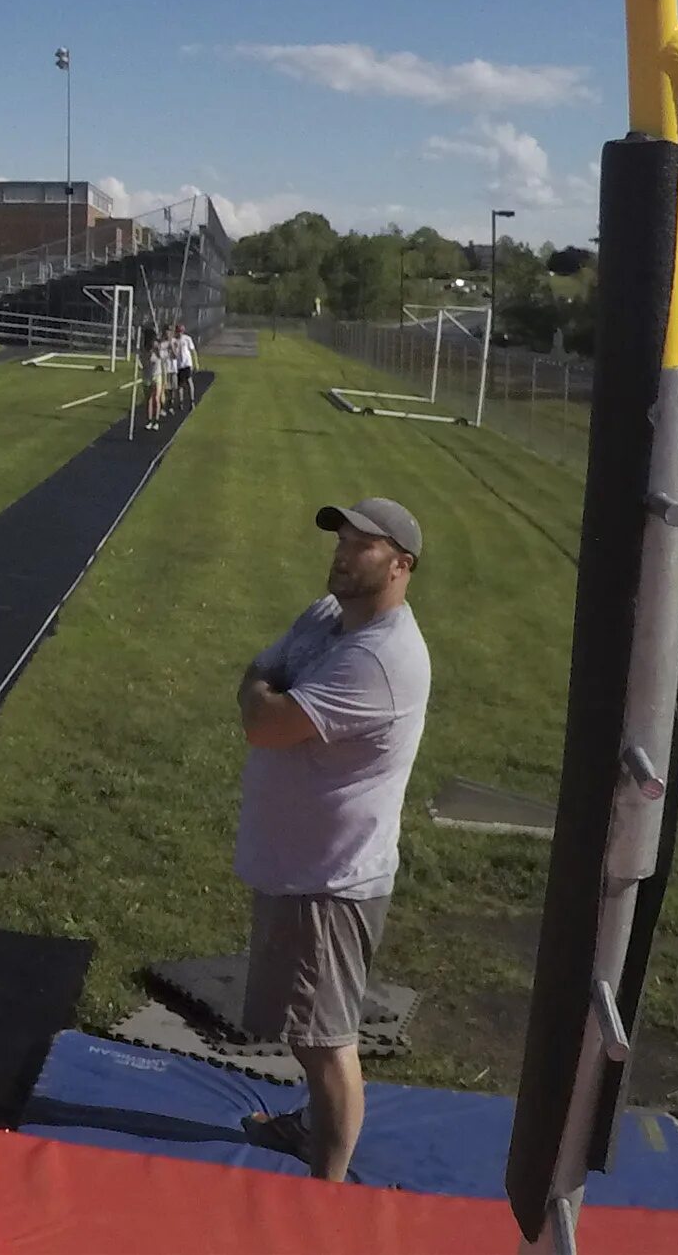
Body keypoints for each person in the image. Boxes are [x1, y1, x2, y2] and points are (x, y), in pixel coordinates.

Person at [233, 498, 432, 1184]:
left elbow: (263, 719)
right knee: (305, 1029)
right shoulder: (325, 618)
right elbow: (260, 682)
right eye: (341, 540)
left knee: (325, 1039)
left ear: (401, 565)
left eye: (363, 546)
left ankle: (327, 1191)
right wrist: (264, 691)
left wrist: (265, 693)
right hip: (298, 865)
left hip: (331, 880)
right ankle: (312, 1126)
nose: (342, 554)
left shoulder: (381, 661)